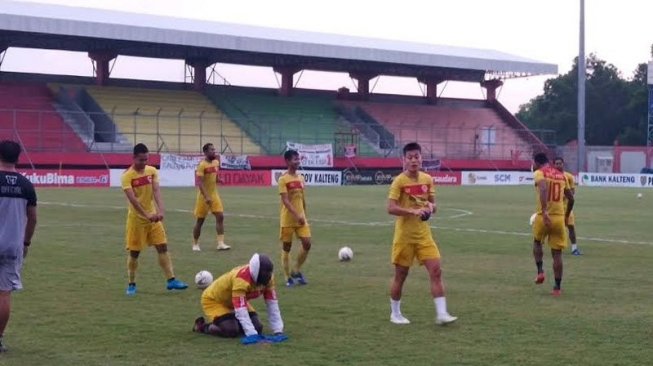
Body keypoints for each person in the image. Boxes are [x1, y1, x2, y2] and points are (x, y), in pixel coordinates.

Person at [387, 142, 457, 326]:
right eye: (409, 157)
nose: (413, 160)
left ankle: (441, 314)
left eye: (416, 156)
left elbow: (434, 206)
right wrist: (413, 212)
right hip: (404, 236)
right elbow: (391, 208)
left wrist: (429, 208)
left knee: (436, 270)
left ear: (421, 158)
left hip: (424, 235)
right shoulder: (399, 181)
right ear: (404, 160)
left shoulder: (427, 179)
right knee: (401, 275)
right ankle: (395, 313)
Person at [121, 143, 188, 296]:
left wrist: (161, 210)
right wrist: (147, 215)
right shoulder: (127, 176)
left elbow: (156, 190)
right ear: (134, 158)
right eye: (141, 160)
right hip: (137, 221)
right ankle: (132, 284)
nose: (144, 163)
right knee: (134, 253)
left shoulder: (152, 171)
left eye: (146, 160)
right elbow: (133, 200)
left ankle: (171, 280)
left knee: (162, 247)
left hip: (153, 218)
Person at [193, 253, 287, 345]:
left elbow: (272, 304)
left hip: (233, 299)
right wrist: (251, 334)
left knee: (257, 327)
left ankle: (230, 320)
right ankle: (202, 326)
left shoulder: (269, 279)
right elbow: (241, 310)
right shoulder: (241, 280)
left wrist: (278, 330)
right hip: (215, 300)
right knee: (231, 330)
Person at [0, 140, 37, 352]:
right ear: (18, 158)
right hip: (12, 246)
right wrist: (25, 243)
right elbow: (32, 218)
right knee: (4, 293)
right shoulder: (26, 185)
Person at [532, 153, 574, 296]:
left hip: (543, 217)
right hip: (559, 218)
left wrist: (544, 211)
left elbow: (543, 187)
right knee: (557, 254)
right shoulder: (561, 175)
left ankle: (540, 272)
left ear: (537, 163)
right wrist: (566, 216)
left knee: (537, 242)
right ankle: (557, 288)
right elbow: (571, 199)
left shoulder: (539, 173)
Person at [277, 150, 312, 287]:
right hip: (288, 219)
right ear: (287, 161)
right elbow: (285, 201)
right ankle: (287, 277)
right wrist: (297, 215)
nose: (297, 162)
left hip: (301, 219)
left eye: (298, 159)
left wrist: (303, 213)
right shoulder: (283, 179)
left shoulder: (301, 178)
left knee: (307, 243)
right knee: (287, 247)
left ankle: (296, 270)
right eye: (294, 159)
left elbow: (302, 198)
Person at [192, 143, 230, 252]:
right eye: (211, 150)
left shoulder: (216, 162)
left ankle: (221, 243)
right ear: (205, 152)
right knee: (200, 221)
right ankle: (195, 244)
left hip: (214, 195)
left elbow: (215, 175)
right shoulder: (202, 165)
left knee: (220, 216)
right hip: (203, 197)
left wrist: (219, 180)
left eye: (214, 149)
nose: (214, 151)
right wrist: (206, 196)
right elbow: (199, 182)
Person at [553, 157, 581, 255]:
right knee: (553, 227)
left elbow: (572, 192)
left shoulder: (568, 176)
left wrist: (564, 194)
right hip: (554, 207)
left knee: (571, 227)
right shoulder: (550, 176)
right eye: (556, 163)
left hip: (566, 206)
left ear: (563, 164)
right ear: (554, 165)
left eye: (560, 163)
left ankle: (574, 248)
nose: (558, 165)